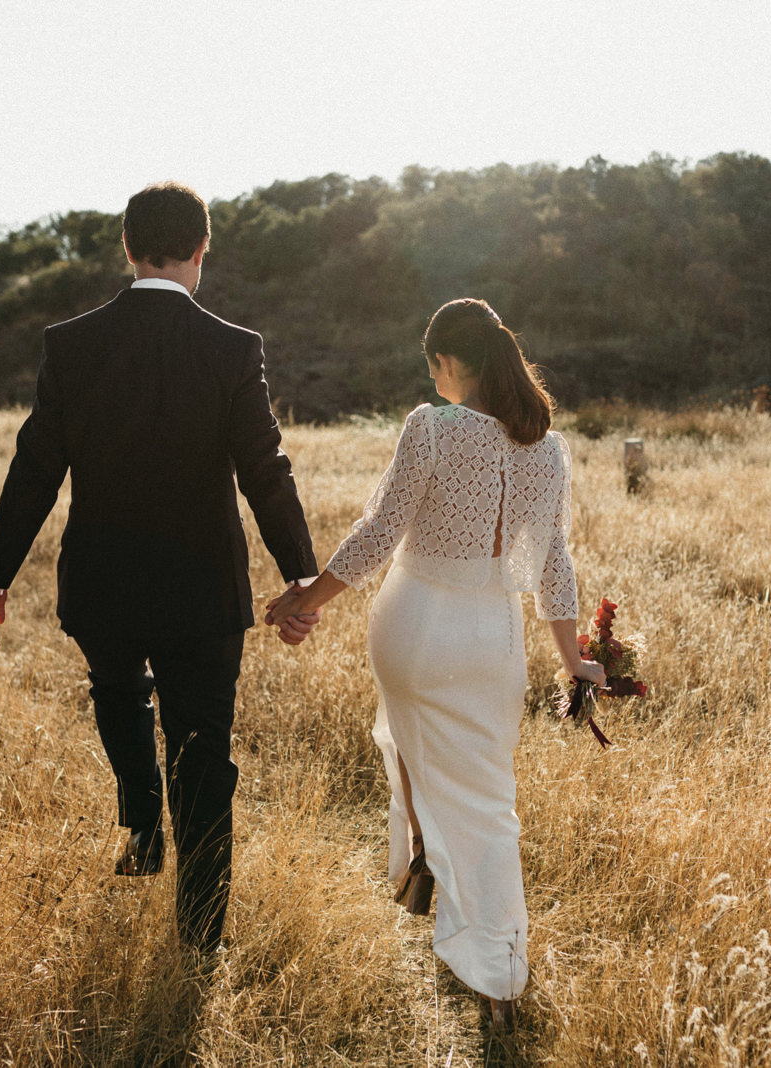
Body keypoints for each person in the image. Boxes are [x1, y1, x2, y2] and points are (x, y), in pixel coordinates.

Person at [0, 181, 319, 955]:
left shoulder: (72, 343)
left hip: (104, 583)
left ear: (127, 250)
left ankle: (140, 819)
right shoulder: (235, 348)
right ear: (202, 252)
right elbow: (267, 470)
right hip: (203, 590)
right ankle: (199, 937)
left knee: (116, 690)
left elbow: (37, 466)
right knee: (204, 750)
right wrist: (302, 574)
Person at [263, 298, 604, 1030]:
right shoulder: (549, 450)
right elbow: (554, 565)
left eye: (434, 368)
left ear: (448, 362)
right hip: (495, 641)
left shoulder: (433, 425)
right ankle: (476, 933)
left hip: (417, 628)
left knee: (415, 749)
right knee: (486, 795)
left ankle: (479, 941)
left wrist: (307, 596)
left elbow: (380, 531)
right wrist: (574, 659)